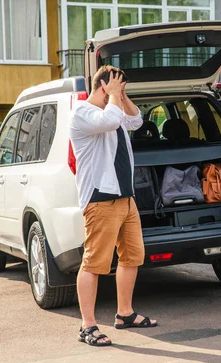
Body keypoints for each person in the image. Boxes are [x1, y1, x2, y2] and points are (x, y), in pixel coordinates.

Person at [69, 65, 157, 346]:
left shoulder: (115, 110)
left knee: (133, 256)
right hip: (100, 198)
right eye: (116, 87)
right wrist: (114, 96)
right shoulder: (83, 113)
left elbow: (136, 121)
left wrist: (122, 94)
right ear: (103, 87)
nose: (120, 94)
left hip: (125, 197)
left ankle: (125, 313)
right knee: (94, 263)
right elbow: (109, 120)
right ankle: (88, 327)